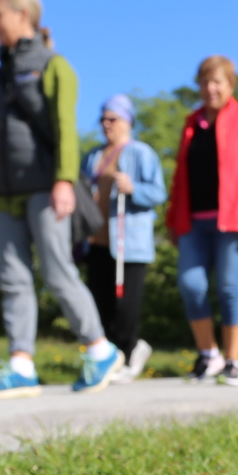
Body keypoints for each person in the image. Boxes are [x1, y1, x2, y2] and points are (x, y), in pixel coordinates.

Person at [0, 0, 120, 399]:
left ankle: (99, 349)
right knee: (12, 279)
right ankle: (21, 365)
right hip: (4, 193)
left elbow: (65, 129)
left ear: (22, 14)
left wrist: (63, 180)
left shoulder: (54, 66)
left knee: (58, 272)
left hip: (44, 187)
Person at [166, 55, 238, 386]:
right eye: (204, 82)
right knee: (191, 284)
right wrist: (173, 219)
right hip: (193, 221)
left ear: (231, 85)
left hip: (236, 219)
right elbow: (180, 177)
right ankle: (209, 355)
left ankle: (233, 361)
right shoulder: (191, 123)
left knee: (229, 287)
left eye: (217, 81)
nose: (210, 88)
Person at [80, 94, 165, 382]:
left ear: (126, 121)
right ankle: (112, 358)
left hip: (129, 244)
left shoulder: (140, 153)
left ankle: (132, 351)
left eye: (112, 119)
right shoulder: (93, 156)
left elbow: (158, 193)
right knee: (100, 304)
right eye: (103, 119)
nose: (106, 124)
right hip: (97, 242)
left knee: (125, 305)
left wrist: (133, 189)